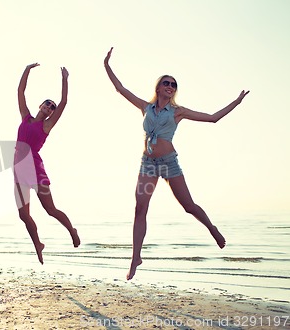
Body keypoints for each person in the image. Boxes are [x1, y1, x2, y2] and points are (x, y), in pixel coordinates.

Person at [104, 47, 249, 280]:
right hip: (148, 165)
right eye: (167, 83)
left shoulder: (178, 112)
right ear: (158, 88)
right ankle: (135, 258)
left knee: (188, 206)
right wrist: (107, 65)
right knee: (140, 209)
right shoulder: (145, 107)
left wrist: (237, 102)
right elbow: (121, 89)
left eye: (174, 85)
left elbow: (213, 118)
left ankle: (212, 228)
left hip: (169, 164)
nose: (170, 87)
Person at [14, 63, 80, 264]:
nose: (49, 108)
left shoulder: (47, 125)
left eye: (52, 107)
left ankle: (71, 230)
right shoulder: (26, 118)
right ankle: (38, 244)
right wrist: (27, 69)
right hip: (18, 168)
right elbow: (20, 91)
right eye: (46, 104)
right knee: (23, 215)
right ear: (40, 106)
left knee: (50, 209)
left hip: (35, 167)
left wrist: (65, 79)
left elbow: (64, 102)